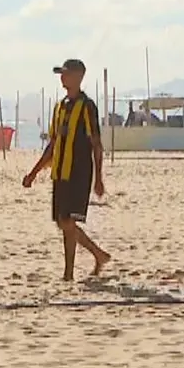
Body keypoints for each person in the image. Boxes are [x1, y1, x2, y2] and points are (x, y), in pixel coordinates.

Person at [23, 58, 110, 280]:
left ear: (78, 77)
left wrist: (99, 178)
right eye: (61, 73)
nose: (62, 77)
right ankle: (72, 271)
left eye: (66, 73)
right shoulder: (60, 107)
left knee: (68, 221)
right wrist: (33, 173)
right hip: (60, 172)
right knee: (63, 222)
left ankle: (95, 256)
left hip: (79, 172)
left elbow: (96, 143)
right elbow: (52, 144)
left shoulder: (87, 106)